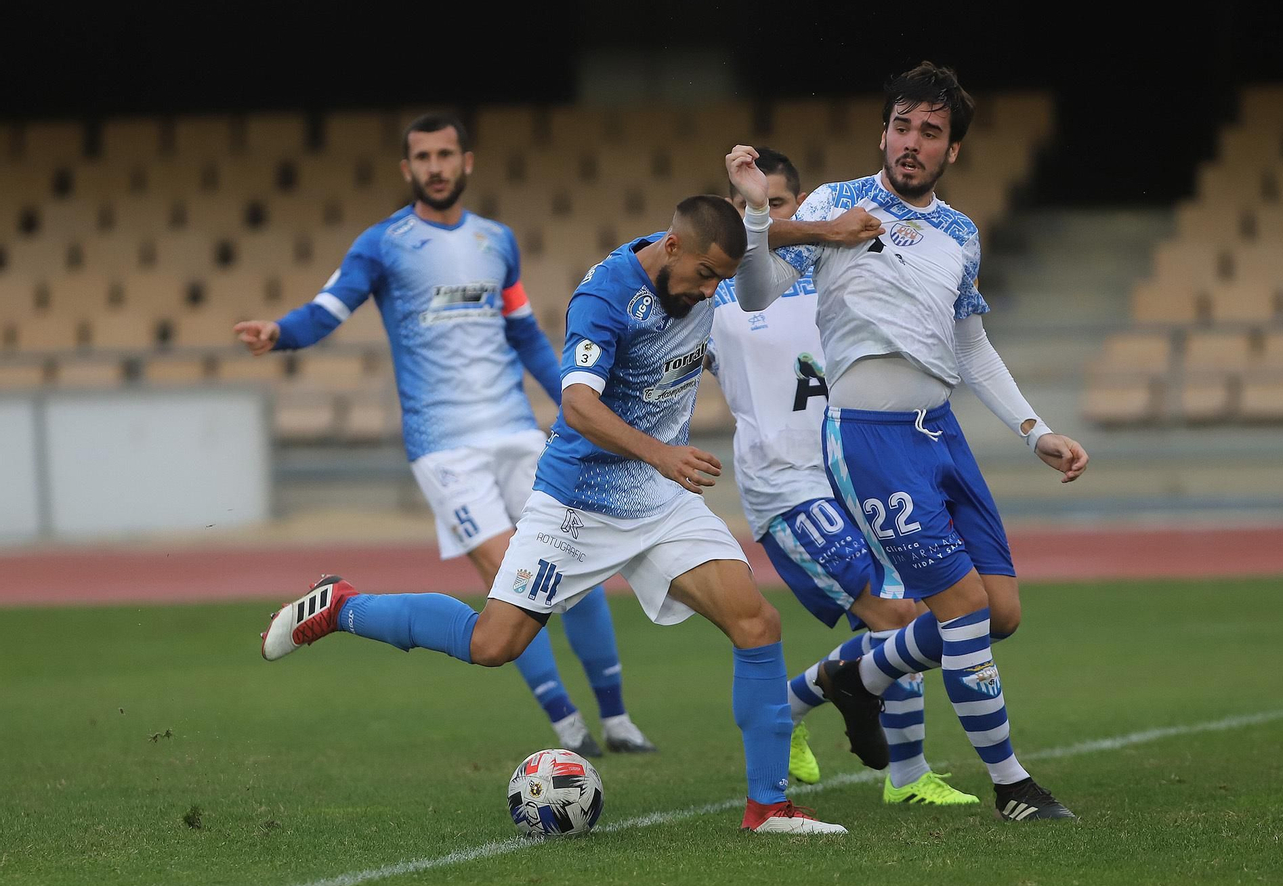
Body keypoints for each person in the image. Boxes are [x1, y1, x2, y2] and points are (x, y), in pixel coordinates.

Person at [260, 194, 854, 834]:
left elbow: (751, 238)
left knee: (756, 622)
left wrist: (824, 229)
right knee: (492, 645)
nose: (712, 291)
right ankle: (342, 605)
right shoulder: (603, 299)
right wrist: (660, 454)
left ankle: (767, 808)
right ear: (673, 248)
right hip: (578, 503)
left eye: (721, 279)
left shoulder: (698, 255)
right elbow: (577, 408)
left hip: (661, 500)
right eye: (706, 276)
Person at [730, 62, 1090, 822]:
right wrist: (767, 216)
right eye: (902, 126)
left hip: (941, 435)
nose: (912, 143)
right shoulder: (836, 205)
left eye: (931, 132)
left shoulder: (960, 235)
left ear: (952, 150)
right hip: (870, 437)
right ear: (883, 131)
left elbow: (972, 347)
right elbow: (755, 293)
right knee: (960, 610)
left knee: (1000, 613)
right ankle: (1012, 785)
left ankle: (844, 682)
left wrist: (1035, 430)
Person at [234, 113, 654, 757]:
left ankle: (618, 721)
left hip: (515, 431)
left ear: (467, 162)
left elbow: (523, 335)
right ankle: (569, 729)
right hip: (444, 446)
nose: (435, 166)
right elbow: (329, 308)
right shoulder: (383, 244)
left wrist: (578, 404)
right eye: (422, 157)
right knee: (515, 580)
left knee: (578, 566)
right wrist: (281, 332)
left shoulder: (497, 242)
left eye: (445, 154)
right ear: (407, 170)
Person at [707, 147, 978, 807]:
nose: (765, 217)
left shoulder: (839, 274)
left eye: (777, 206)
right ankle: (903, 772)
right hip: (785, 482)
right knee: (891, 613)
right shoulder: (719, 295)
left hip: (857, 468)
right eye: (751, 207)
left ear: (800, 208)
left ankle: (807, 713)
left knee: (906, 611)